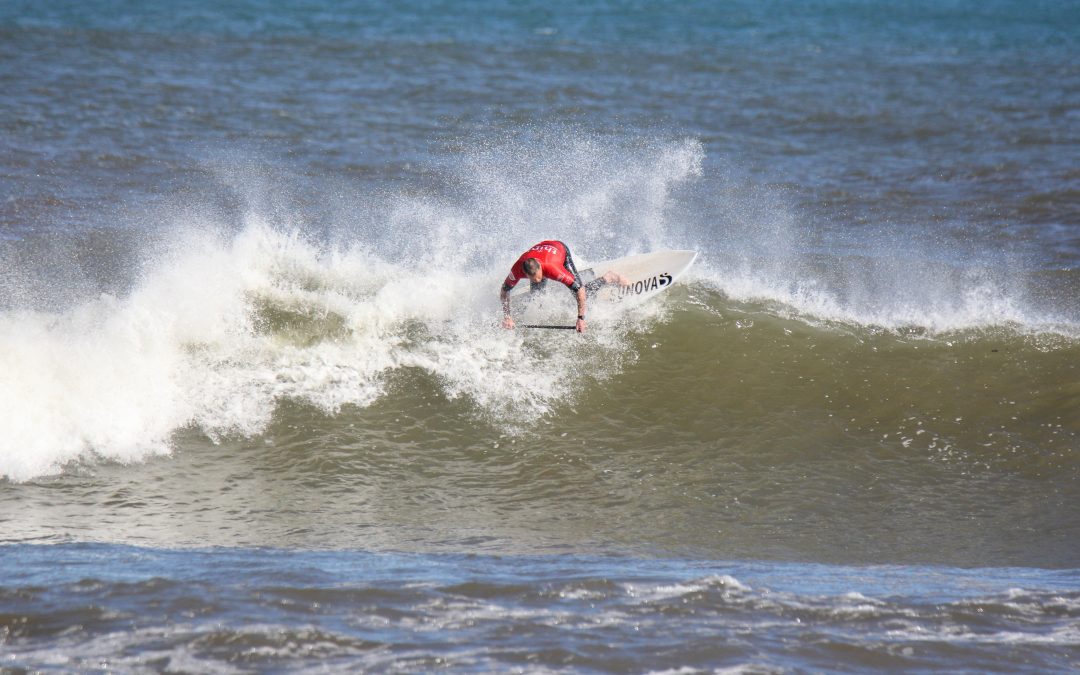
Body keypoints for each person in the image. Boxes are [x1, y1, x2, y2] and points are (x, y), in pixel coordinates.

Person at [500, 240, 626, 333]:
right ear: (525, 274)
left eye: (540, 276)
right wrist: (507, 317)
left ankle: (609, 277)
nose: (538, 280)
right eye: (533, 279)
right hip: (540, 251)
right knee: (536, 298)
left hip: (560, 250)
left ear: (540, 268)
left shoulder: (553, 269)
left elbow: (579, 290)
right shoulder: (517, 270)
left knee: (580, 291)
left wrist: (580, 318)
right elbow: (504, 290)